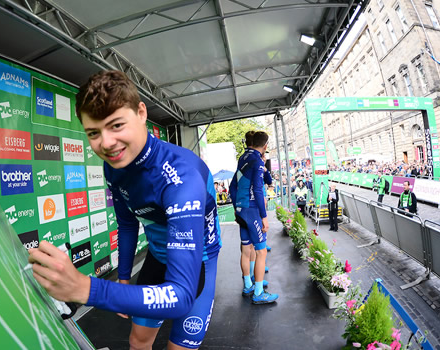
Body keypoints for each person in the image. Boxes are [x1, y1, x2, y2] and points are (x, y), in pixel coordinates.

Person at [27, 70, 222, 350]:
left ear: (141, 113)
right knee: (138, 342)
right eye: (94, 133)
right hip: (157, 257)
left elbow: (181, 295)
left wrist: (85, 288)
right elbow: (128, 224)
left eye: (116, 125)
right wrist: (124, 277)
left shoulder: (181, 176)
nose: (106, 143)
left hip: (199, 263)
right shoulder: (114, 166)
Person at [229, 131, 278, 304]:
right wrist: (264, 217)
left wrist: (236, 209)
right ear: (265, 146)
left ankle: (249, 284)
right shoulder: (257, 161)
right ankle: (258, 292)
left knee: (246, 249)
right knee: (261, 251)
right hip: (251, 211)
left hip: (242, 210)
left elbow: (232, 186)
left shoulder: (243, 158)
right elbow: (258, 189)